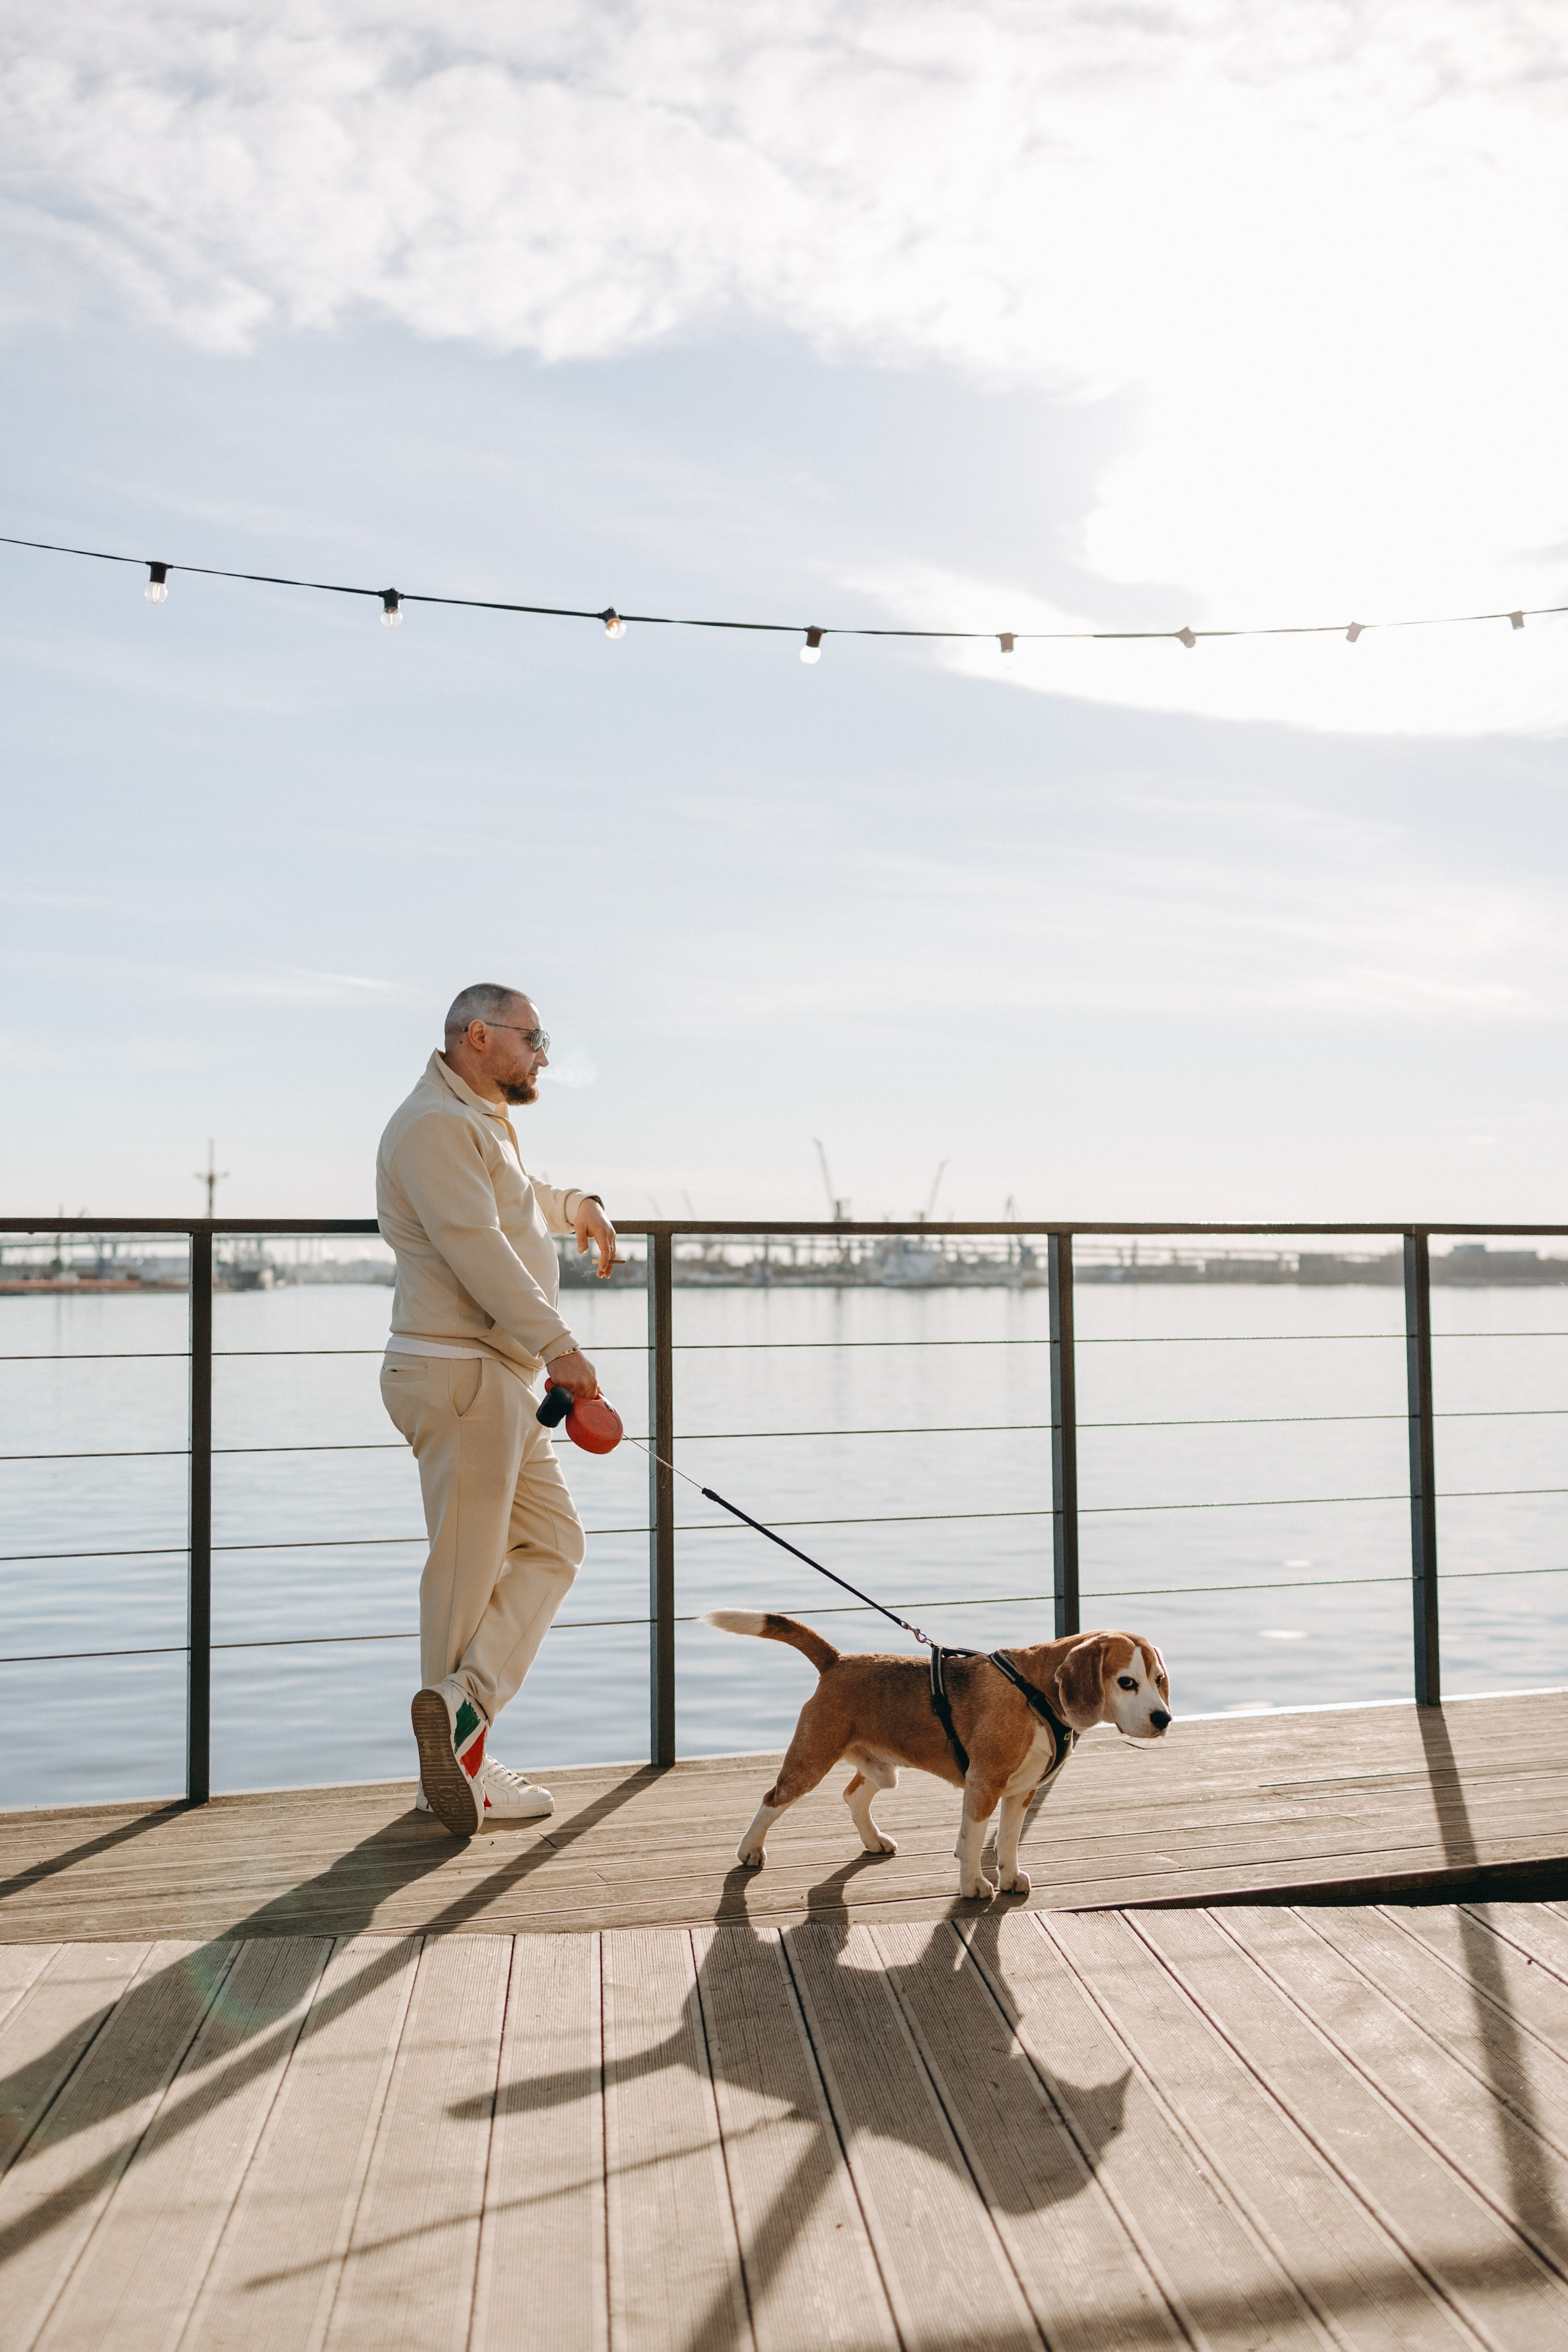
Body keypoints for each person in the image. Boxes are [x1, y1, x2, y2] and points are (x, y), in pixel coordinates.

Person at [377, 982, 618, 1835]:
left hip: (495, 1383)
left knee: (555, 1546)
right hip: (463, 1377)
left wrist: (574, 1204)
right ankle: (456, 1770)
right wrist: (558, 1344)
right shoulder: (435, 1127)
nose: (542, 1053)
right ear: (479, 1036)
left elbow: (511, 1199)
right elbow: (477, 1248)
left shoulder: (472, 1122)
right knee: (464, 1577)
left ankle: (460, 1715)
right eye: (532, 1036)